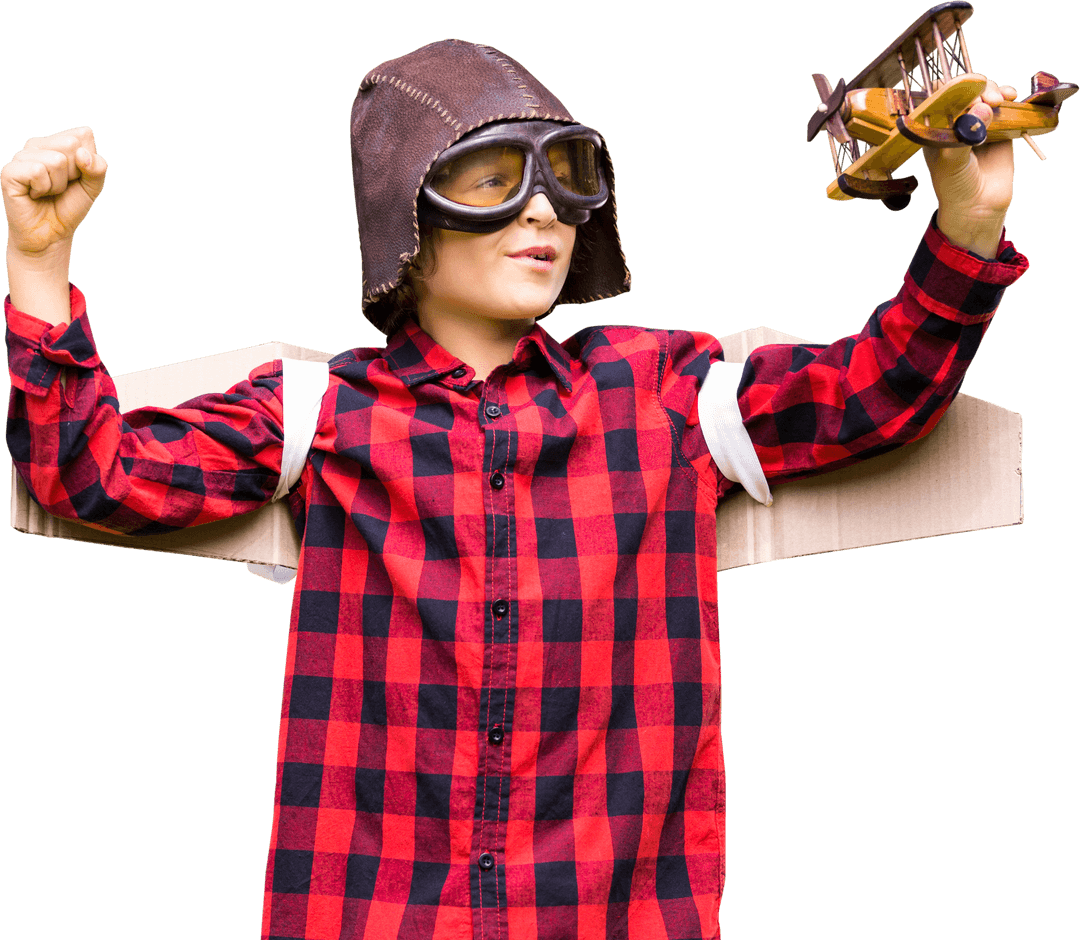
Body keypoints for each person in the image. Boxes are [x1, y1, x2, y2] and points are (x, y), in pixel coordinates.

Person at [3, 39, 1027, 940]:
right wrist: (39, 268)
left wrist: (967, 225)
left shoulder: (658, 393)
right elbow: (90, 474)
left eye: (565, 177)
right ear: (408, 216)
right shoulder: (321, 415)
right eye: (494, 177)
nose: (542, 209)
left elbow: (874, 396)